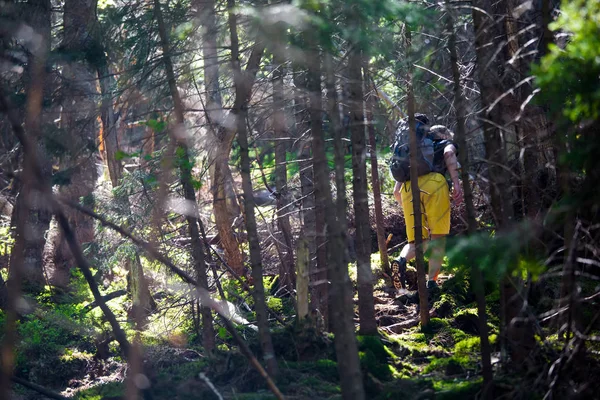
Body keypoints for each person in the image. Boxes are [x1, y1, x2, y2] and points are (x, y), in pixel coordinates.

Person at [390, 120, 463, 300]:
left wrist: (408, 204)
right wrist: (456, 183)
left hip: (409, 188)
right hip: (435, 185)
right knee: (437, 239)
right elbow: (448, 155)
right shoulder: (445, 144)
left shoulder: (412, 153)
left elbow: (395, 192)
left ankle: (401, 261)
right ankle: (432, 283)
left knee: (416, 240)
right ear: (444, 135)